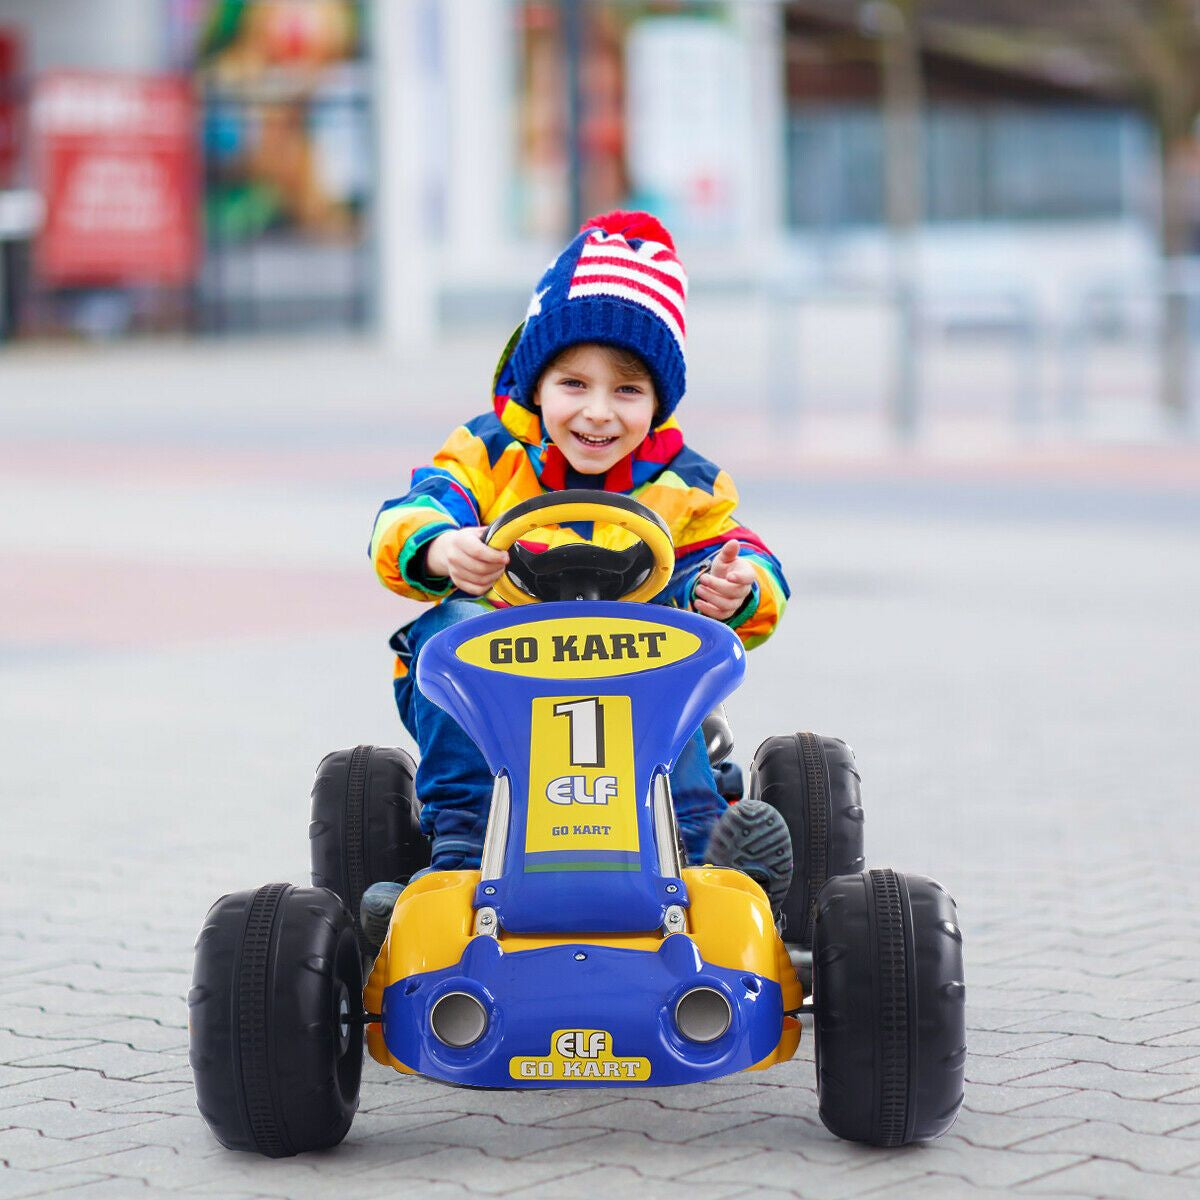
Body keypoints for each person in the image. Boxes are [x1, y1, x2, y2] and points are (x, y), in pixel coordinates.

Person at [362, 211, 791, 948]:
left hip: (636, 699)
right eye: (573, 384)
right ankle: (462, 845)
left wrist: (737, 586)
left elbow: (743, 555)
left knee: (685, 654)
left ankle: (700, 852)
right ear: (537, 380)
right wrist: (440, 549)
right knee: (446, 629)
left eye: (627, 390)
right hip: (501, 692)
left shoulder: (687, 485)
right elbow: (412, 512)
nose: (597, 412)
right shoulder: (488, 453)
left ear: (658, 401)